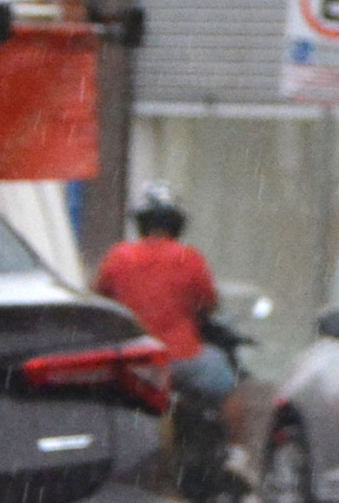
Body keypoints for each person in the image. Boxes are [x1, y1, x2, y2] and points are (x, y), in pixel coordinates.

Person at [92, 187, 245, 452]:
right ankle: (236, 451)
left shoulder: (118, 257)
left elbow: (98, 300)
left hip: (134, 360)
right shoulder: (189, 257)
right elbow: (209, 304)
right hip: (184, 359)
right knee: (228, 386)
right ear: (177, 223)